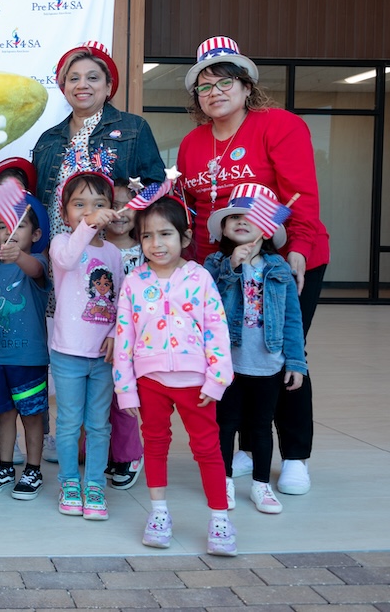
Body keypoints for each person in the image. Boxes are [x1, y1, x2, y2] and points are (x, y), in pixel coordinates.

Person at [176, 36, 329, 496]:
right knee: (234, 356)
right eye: (204, 87)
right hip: (223, 270)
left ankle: (296, 456)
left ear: (246, 87)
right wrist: (196, 269)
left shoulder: (278, 126)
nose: (215, 92)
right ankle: (247, 449)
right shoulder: (192, 144)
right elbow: (195, 213)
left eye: (225, 82)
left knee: (280, 353)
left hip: (284, 262)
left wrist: (296, 250)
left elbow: (300, 197)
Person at [113, 197, 236, 556]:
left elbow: (218, 331)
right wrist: (126, 390)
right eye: (147, 236)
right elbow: (124, 338)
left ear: (184, 237)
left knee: (207, 448)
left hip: (196, 382)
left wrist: (217, 380)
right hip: (149, 381)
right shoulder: (134, 281)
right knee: (154, 444)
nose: (156, 244)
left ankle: (219, 518)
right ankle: (159, 513)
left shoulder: (199, 278)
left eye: (165, 234)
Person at [203, 184, 307, 514]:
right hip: (227, 364)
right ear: (223, 227)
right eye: (233, 216)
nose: (241, 221)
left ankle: (261, 485)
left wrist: (296, 361)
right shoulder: (215, 264)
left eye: (251, 216)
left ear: (267, 228)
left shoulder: (278, 270)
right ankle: (225, 481)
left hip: (268, 365)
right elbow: (207, 305)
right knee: (225, 425)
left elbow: (292, 319)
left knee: (262, 427)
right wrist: (231, 268)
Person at [48, 168, 123, 521]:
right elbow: (66, 261)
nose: (88, 210)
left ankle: (94, 484)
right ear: (65, 213)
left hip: (103, 356)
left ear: (112, 209)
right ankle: (69, 483)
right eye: (79, 204)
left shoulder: (114, 253)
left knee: (98, 425)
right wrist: (86, 225)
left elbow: (121, 300)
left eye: (98, 203)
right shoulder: (62, 243)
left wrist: (113, 335)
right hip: (68, 353)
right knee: (67, 423)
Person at [32, 41, 165, 234]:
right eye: (74, 78)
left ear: (108, 86)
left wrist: (128, 214)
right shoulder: (47, 140)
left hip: (113, 247)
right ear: (64, 87)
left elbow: (157, 186)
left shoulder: (134, 128)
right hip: (61, 251)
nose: (82, 85)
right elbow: (38, 204)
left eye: (93, 78)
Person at [0, 186, 51, 500]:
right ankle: (5, 466)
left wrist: (18, 256)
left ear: (35, 235)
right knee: (4, 413)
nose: (10, 231)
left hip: (29, 358)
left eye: (19, 225)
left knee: (32, 415)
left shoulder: (37, 263)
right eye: (3, 226)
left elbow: (35, 270)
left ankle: (33, 469)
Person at [103, 179, 145, 490]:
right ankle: (102, 451)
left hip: (135, 337)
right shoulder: (94, 247)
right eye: (111, 205)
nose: (119, 212)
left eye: (126, 204)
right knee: (98, 399)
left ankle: (128, 454)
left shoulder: (146, 250)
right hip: (97, 335)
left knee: (124, 399)